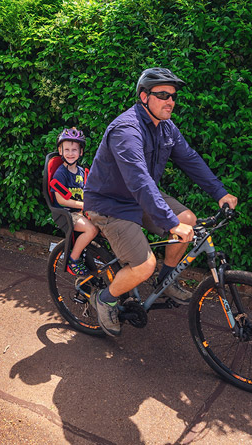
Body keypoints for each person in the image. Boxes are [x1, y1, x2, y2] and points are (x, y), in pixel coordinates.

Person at [83, 67, 238, 336]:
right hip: (111, 204)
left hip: (141, 197)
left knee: (187, 219)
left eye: (173, 96)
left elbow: (189, 159)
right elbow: (139, 180)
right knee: (144, 264)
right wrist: (170, 223)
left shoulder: (166, 127)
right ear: (144, 97)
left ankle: (164, 280)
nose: (171, 101)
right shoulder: (126, 130)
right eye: (163, 95)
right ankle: (104, 299)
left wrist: (219, 192)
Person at [49, 127, 99, 276]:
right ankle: (73, 259)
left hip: (81, 212)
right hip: (67, 214)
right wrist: (84, 205)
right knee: (91, 230)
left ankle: (96, 252)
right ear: (60, 151)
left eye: (74, 150)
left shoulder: (81, 172)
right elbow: (61, 200)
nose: (71, 153)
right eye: (67, 150)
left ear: (81, 152)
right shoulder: (61, 173)